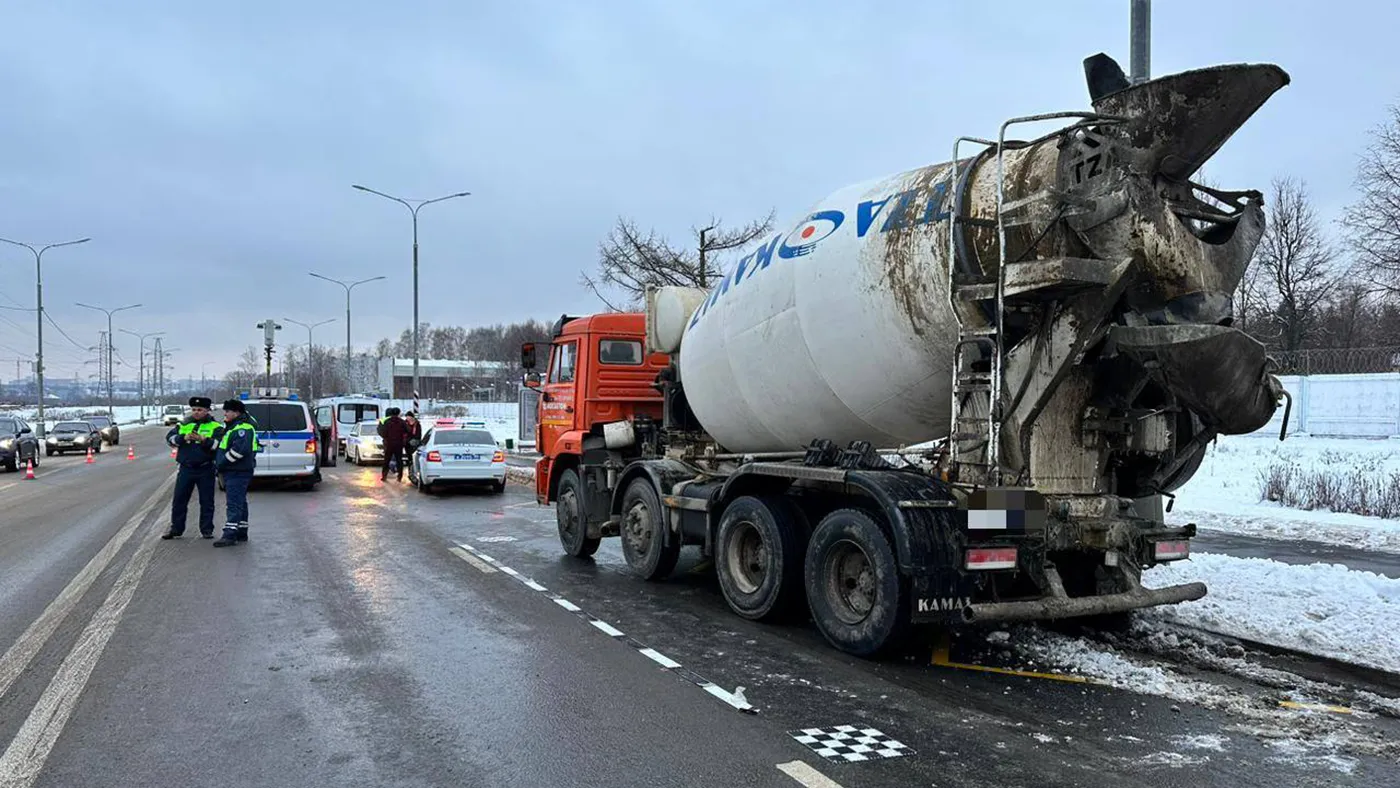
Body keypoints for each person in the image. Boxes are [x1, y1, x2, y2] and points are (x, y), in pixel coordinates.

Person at [162, 396, 225, 539]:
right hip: (186, 468)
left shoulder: (216, 427)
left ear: (207, 410)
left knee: (207, 501)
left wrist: (204, 440)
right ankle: (176, 529)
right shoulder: (183, 425)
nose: (196, 412)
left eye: (200, 410)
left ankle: (206, 530)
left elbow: (219, 446)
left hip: (205, 468)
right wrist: (182, 438)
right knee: (179, 500)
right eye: (194, 409)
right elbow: (169, 440)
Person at [213, 398, 259, 547]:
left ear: (237, 412)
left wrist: (223, 462)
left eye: (227, 411)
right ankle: (241, 530)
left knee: (233, 503)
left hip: (237, 471)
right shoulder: (233, 426)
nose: (225, 414)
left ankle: (230, 534)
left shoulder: (242, 428)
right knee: (240, 502)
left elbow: (240, 450)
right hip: (236, 471)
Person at [377, 407, 409, 482]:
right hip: (399, 444)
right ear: (398, 413)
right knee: (399, 460)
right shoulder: (402, 422)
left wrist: (386, 437)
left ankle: (384, 476)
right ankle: (399, 476)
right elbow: (407, 430)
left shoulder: (387, 421)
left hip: (388, 444)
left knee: (386, 460)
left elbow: (381, 431)